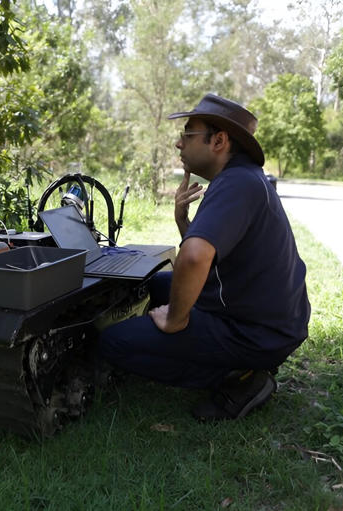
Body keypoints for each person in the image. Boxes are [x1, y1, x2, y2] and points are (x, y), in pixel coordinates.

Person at [98, 93, 310, 421]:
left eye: (188, 134)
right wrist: (184, 221)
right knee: (158, 284)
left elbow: (195, 258)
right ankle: (224, 358)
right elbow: (212, 257)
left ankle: (239, 378)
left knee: (112, 343)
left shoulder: (237, 183)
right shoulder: (243, 178)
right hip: (265, 317)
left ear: (219, 141)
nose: (179, 144)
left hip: (255, 332)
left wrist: (175, 319)